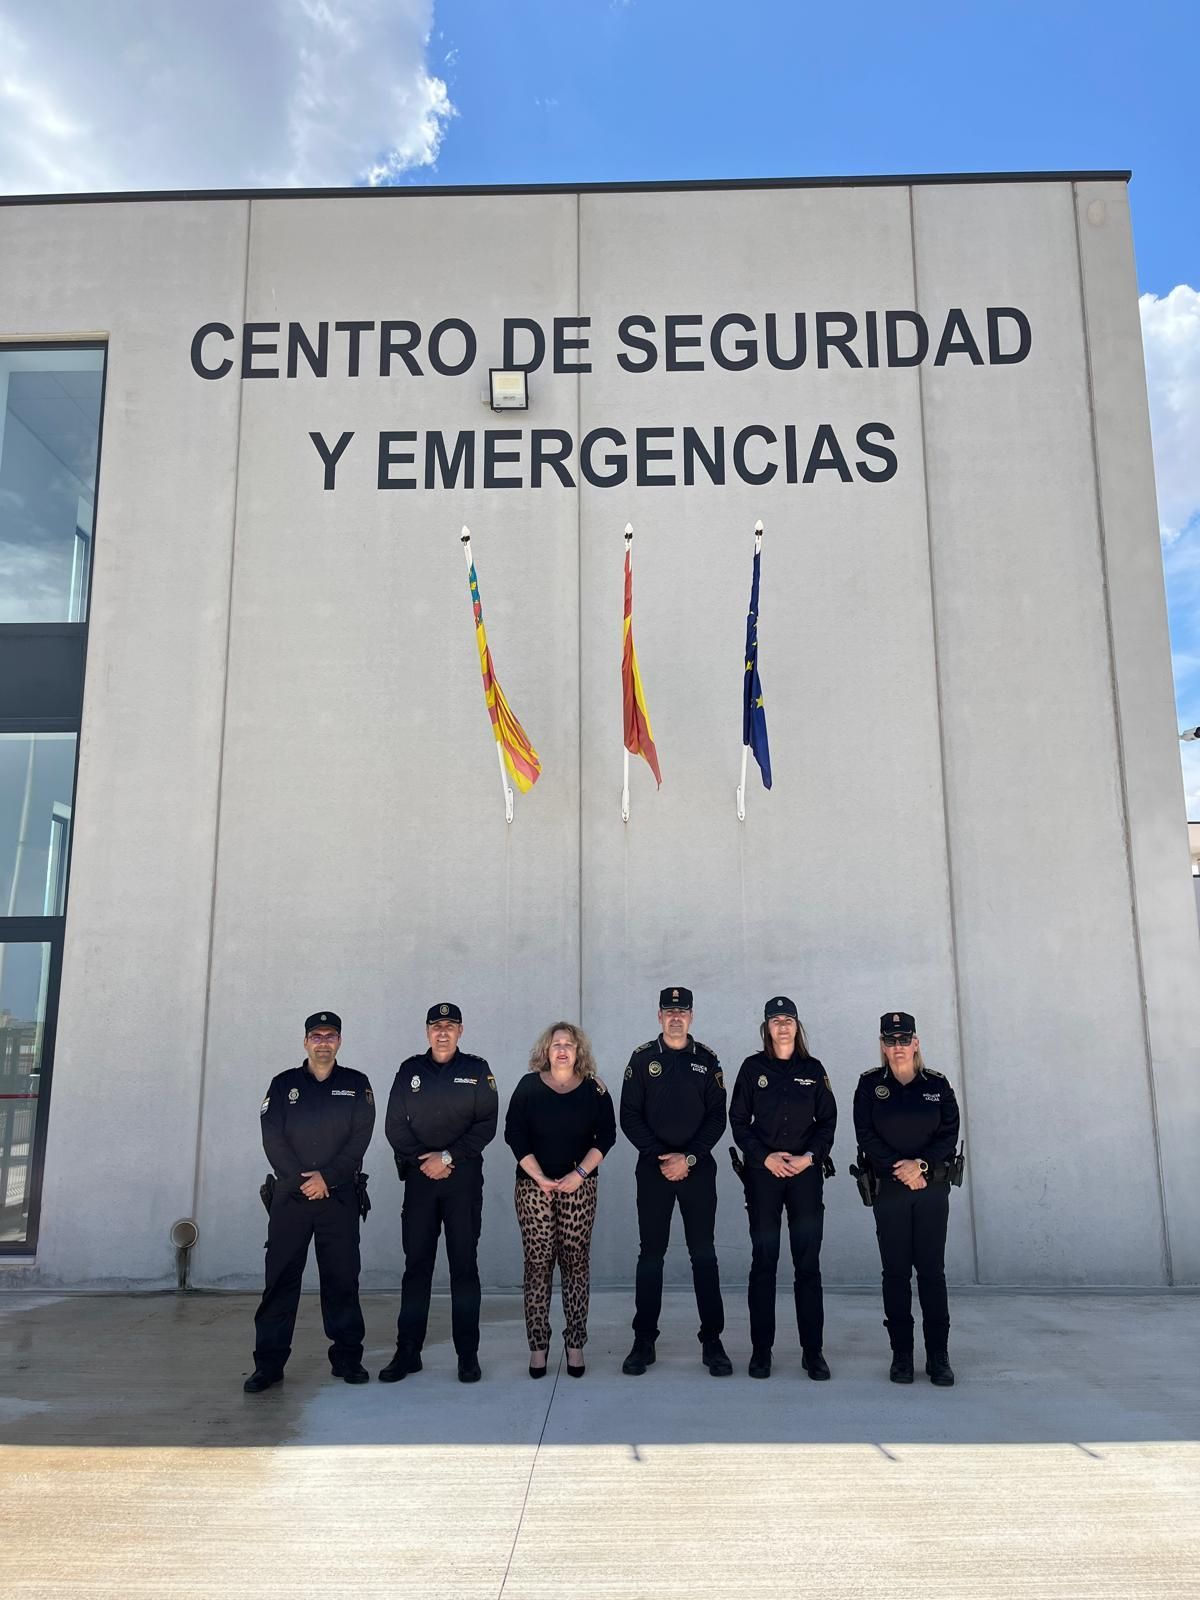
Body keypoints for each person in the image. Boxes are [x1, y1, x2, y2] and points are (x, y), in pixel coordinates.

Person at [245, 1010, 376, 1393]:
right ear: (305, 1042)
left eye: (330, 1035)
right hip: (292, 1198)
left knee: (342, 1280)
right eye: (316, 1036)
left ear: (339, 1041)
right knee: (280, 1282)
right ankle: (268, 1365)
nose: (323, 1041)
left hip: (338, 1199)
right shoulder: (283, 1084)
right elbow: (272, 1137)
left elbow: (359, 1140)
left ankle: (348, 1358)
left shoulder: (356, 1085)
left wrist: (327, 1178)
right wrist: (303, 1181)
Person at [381, 1002, 498, 1384]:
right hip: (419, 1183)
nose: (443, 1032)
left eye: (450, 1026)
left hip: (462, 1182)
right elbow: (394, 1125)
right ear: (427, 1031)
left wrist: (448, 1157)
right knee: (416, 1268)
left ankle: (467, 1355)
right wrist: (423, 1161)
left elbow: (486, 1125)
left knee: (464, 1268)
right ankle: (408, 1351)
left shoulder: (477, 1070)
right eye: (436, 1026)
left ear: (461, 1031)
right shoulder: (410, 1071)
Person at [619, 986, 732, 1377]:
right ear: (659, 1016)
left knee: (704, 1254)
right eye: (669, 1011)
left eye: (682, 1011)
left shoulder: (708, 1060)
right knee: (651, 1255)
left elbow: (718, 1117)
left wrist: (690, 1157)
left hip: (697, 1170)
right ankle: (644, 1341)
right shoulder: (642, 1059)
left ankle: (713, 1341)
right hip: (653, 1170)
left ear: (692, 1016)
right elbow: (629, 1115)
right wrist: (661, 1157)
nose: (676, 1017)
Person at [729, 996, 837, 1381]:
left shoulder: (813, 1069)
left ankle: (813, 1352)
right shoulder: (752, 1068)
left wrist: (810, 1157)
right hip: (764, 1176)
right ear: (766, 1028)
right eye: (775, 1020)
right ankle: (761, 1352)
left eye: (788, 1019)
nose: (783, 1026)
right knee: (764, 1262)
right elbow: (739, 1121)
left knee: (807, 1264)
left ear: (797, 1025)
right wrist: (765, 1157)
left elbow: (827, 1122)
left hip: (805, 1175)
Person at [853, 1010, 961, 1386]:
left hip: (930, 1190)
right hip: (890, 1190)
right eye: (890, 1041)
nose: (897, 1047)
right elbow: (865, 1134)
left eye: (904, 1040)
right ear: (882, 1046)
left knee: (931, 1272)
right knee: (896, 1274)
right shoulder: (869, 1086)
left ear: (916, 1043)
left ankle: (938, 1357)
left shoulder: (937, 1085)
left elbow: (949, 1133)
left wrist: (923, 1167)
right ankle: (901, 1356)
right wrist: (900, 1168)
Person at [504, 1021, 616, 1379]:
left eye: (569, 1044)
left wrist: (578, 1175)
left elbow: (607, 1136)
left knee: (576, 1265)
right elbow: (514, 1133)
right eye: (556, 1045)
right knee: (537, 1266)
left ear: (578, 1051)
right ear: (546, 1051)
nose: (562, 1050)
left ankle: (575, 1344)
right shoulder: (528, 1087)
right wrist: (538, 1176)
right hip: (534, 1187)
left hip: (578, 1186)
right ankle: (538, 1347)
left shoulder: (595, 1090)